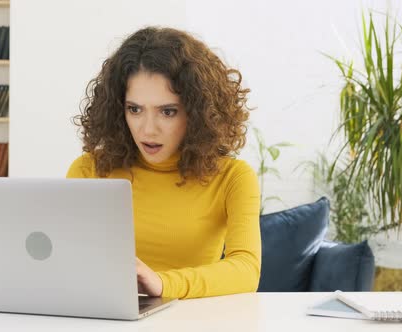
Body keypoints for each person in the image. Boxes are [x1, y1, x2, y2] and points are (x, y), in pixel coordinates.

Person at [66, 26, 260, 299]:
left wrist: (162, 284)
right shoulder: (89, 170)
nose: (147, 130)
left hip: (190, 320)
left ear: (197, 113)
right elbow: (65, 260)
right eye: (135, 109)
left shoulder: (232, 177)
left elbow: (246, 269)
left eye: (167, 112)